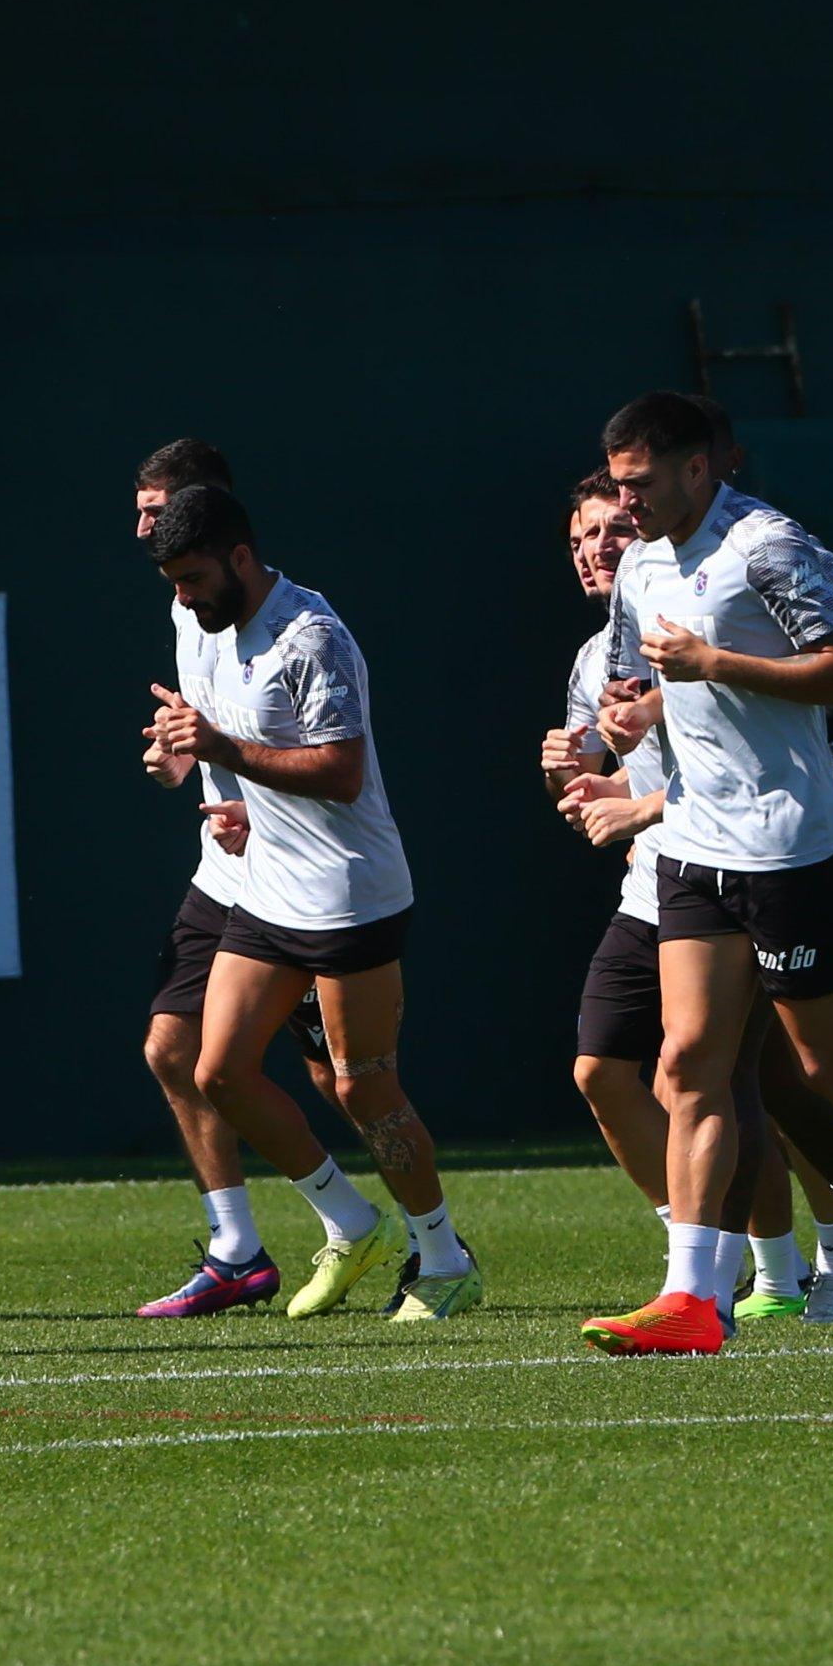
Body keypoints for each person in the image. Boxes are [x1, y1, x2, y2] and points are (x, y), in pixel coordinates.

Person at [579, 391, 833, 1353]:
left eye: (639, 486)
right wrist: (634, 715)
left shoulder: (769, 545)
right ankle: (692, 1301)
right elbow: (652, 684)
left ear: (697, 470)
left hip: (791, 842)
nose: (624, 506)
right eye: (617, 486)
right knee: (687, 1064)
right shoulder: (638, 564)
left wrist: (716, 663)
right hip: (692, 846)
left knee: (824, 1063)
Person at [545, 472, 833, 1326]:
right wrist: (578, 777)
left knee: (785, 1075)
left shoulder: (740, 596)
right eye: (580, 538)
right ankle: (709, 1276)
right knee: (635, 1068)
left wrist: (645, 801)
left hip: (763, 866)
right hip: (660, 888)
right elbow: (608, 777)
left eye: (613, 527)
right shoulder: (600, 660)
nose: (599, 547)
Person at [144, 485, 482, 1322]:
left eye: (193, 579)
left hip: (347, 896)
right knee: (213, 1068)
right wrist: (228, 791)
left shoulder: (312, 636)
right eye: (173, 583)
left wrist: (223, 750)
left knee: (363, 1087)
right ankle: (351, 1221)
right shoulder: (209, 624)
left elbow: (339, 771)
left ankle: (444, 1257)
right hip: (265, 887)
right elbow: (256, 752)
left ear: (241, 557)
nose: (183, 598)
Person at [123, 438, 303, 1317]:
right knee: (173, 1049)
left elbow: (332, 767)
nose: (144, 525)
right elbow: (202, 740)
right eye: (142, 508)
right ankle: (238, 1249)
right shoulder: (187, 605)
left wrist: (241, 788)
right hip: (229, 868)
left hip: (310, 878)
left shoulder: (294, 622)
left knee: (352, 1078)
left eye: (159, 509)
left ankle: (428, 1241)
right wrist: (178, 766)